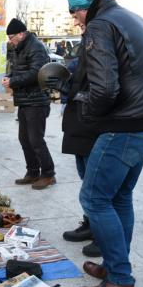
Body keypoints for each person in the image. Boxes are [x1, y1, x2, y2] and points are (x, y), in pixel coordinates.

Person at [63, 0, 143, 287]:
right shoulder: (131, 17)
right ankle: (114, 267)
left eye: (74, 10)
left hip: (128, 125)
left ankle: (121, 282)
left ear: (85, 6)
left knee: (94, 199)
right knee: (120, 196)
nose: (74, 17)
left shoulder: (99, 25)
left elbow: (105, 88)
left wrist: (90, 115)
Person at [45, 26, 102, 258]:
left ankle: (102, 234)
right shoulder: (83, 57)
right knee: (85, 178)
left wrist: (76, 94)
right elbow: (72, 80)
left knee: (97, 186)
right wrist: (60, 83)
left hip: (94, 126)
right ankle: (90, 223)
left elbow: (103, 92)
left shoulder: (103, 58)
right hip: (78, 124)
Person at [2, 18, 56, 190]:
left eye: (11, 37)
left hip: (37, 100)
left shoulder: (36, 47)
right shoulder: (19, 48)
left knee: (36, 139)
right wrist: (10, 77)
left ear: (21, 34)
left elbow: (36, 73)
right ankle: (33, 172)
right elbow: (18, 70)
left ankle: (48, 174)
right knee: (24, 138)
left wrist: (13, 81)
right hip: (25, 100)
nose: (10, 40)